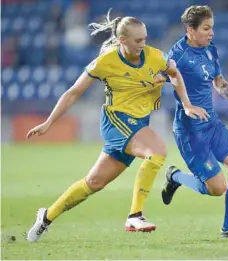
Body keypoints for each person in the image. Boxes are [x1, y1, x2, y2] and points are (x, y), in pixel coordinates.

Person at [26, 9, 209, 243]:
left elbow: (175, 74)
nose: (143, 44)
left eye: (145, 38)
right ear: (123, 40)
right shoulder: (106, 61)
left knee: (94, 183)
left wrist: (186, 104)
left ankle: (46, 216)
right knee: (157, 152)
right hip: (117, 120)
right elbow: (73, 93)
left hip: (137, 124)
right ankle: (135, 215)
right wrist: (49, 122)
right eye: (138, 40)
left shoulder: (156, 57)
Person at [161, 5, 228, 238]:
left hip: (212, 124)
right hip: (190, 131)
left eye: (212, 28)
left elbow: (218, 81)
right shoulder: (177, 56)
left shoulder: (210, 50)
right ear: (190, 29)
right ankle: (175, 176)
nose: (211, 33)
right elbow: (165, 79)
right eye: (206, 28)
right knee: (217, 188)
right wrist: (186, 105)